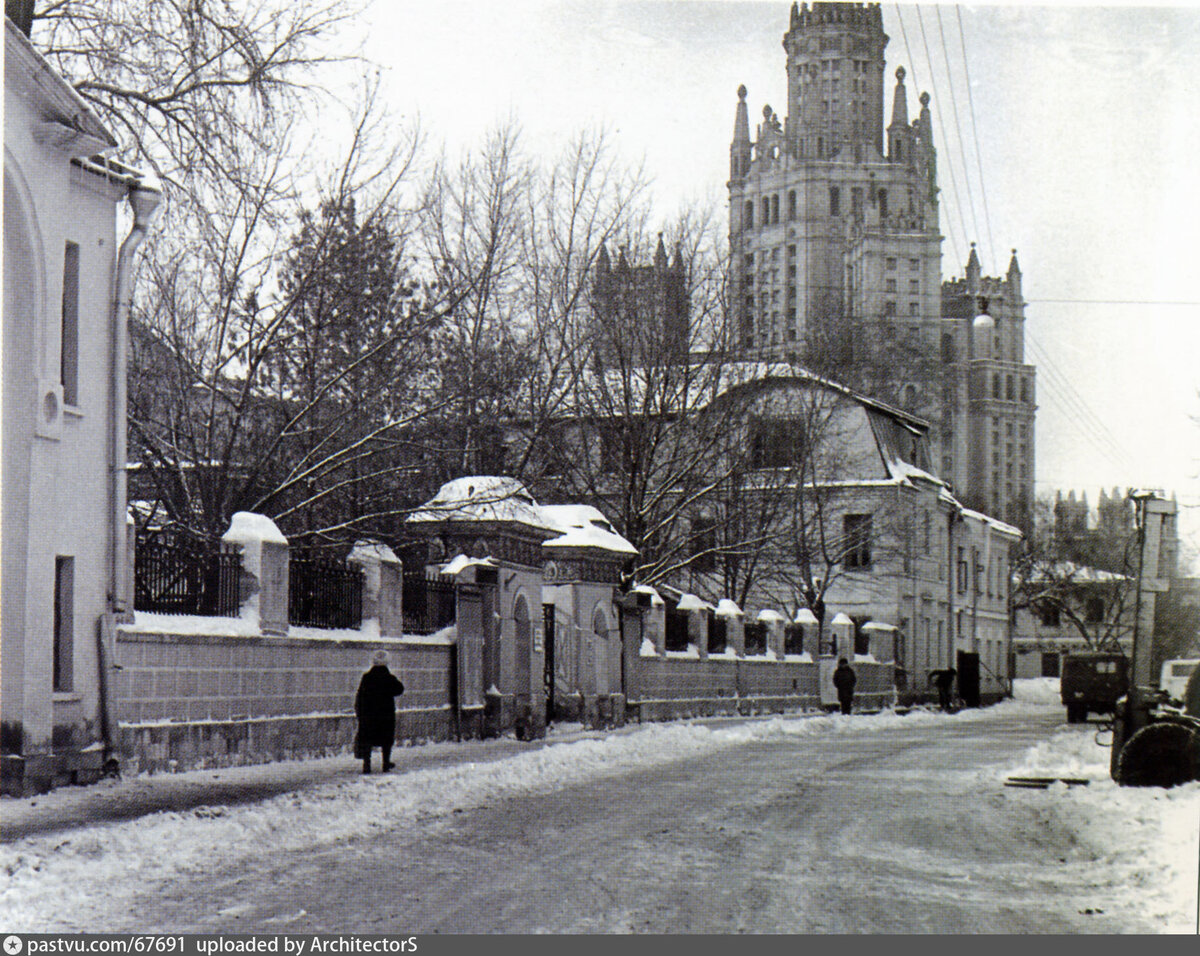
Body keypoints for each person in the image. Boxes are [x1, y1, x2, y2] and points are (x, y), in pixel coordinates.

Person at [355, 650, 404, 774]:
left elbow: (360, 696)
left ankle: (367, 765)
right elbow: (399, 689)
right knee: (386, 740)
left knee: (367, 740)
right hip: (385, 715)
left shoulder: (366, 677)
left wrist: (359, 712)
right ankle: (386, 763)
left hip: (368, 715)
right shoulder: (388, 678)